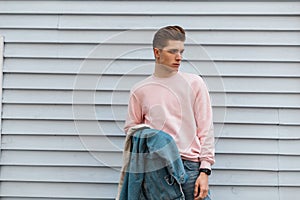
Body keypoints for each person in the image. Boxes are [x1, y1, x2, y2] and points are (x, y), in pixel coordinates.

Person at [124, 25, 215, 200]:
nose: (179, 57)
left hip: (190, 167)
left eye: (181, 51)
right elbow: (131, 130)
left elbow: (206, 129)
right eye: (172, 51)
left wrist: (205, 171)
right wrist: (154, 137)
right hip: (156, 168)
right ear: (157, 53)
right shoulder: (140, 90)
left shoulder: (194, 83)